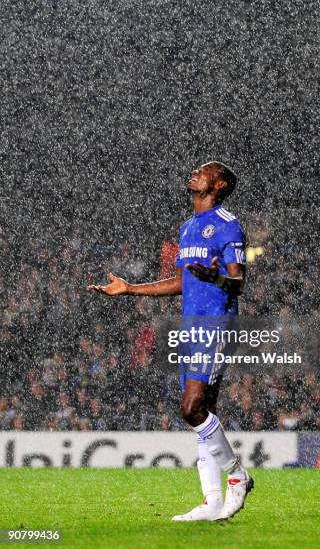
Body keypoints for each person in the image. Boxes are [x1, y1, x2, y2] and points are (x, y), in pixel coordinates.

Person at [88, 161, 253, 521]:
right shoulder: (187, 227)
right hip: (190, 326)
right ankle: (211, 502)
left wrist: (216, 277)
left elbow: (238, 283)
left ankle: (237, 476)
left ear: (219, 184)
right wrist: (131, 289)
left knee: (191, 407)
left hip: (216, 324)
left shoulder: (228, 226)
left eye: (204, 172)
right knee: (201, 413)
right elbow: (180, 282)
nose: (195, 173)